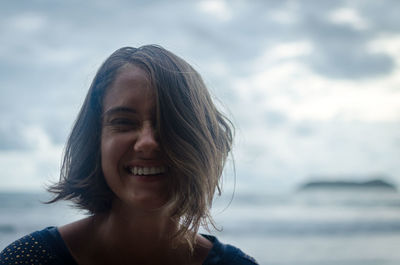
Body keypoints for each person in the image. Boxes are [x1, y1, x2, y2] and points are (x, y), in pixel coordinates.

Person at [0, 45, 258, 265]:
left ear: (201, 142)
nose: (147, 143)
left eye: (168, 123)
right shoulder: (27, 259)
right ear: (95, 140)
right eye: (123, 122)